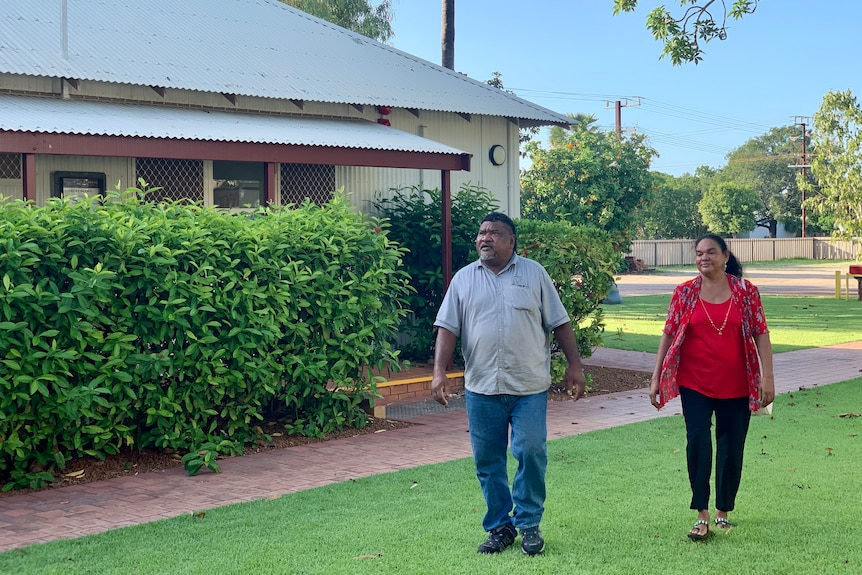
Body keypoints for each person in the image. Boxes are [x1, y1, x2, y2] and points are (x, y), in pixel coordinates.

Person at [431, 212, 586, 556]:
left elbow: (559, 323)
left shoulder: (534, 274)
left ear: (511, 241)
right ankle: (500, 527)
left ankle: (529, 524)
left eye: (495, 233)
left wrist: (575, 366)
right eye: (482, 232)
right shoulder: (463, 279)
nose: (485, 238)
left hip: (528, 387)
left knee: (531, 451)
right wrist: (439, 371)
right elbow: (447, 327)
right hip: (481, 388)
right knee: (488, 461)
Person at [649, 233, 775, 541]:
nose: (704, 257)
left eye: (711, 252)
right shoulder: (684, 293)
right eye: (699, 253)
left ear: (726, 256)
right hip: (695, 383)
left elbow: (761, 334)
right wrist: (655, 377)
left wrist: (767, 378)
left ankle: (723, 511)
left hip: (738, 383)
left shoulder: (746, 292)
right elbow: (668, 334)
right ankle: (701, 513)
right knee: (698, 443)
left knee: (732, 448)